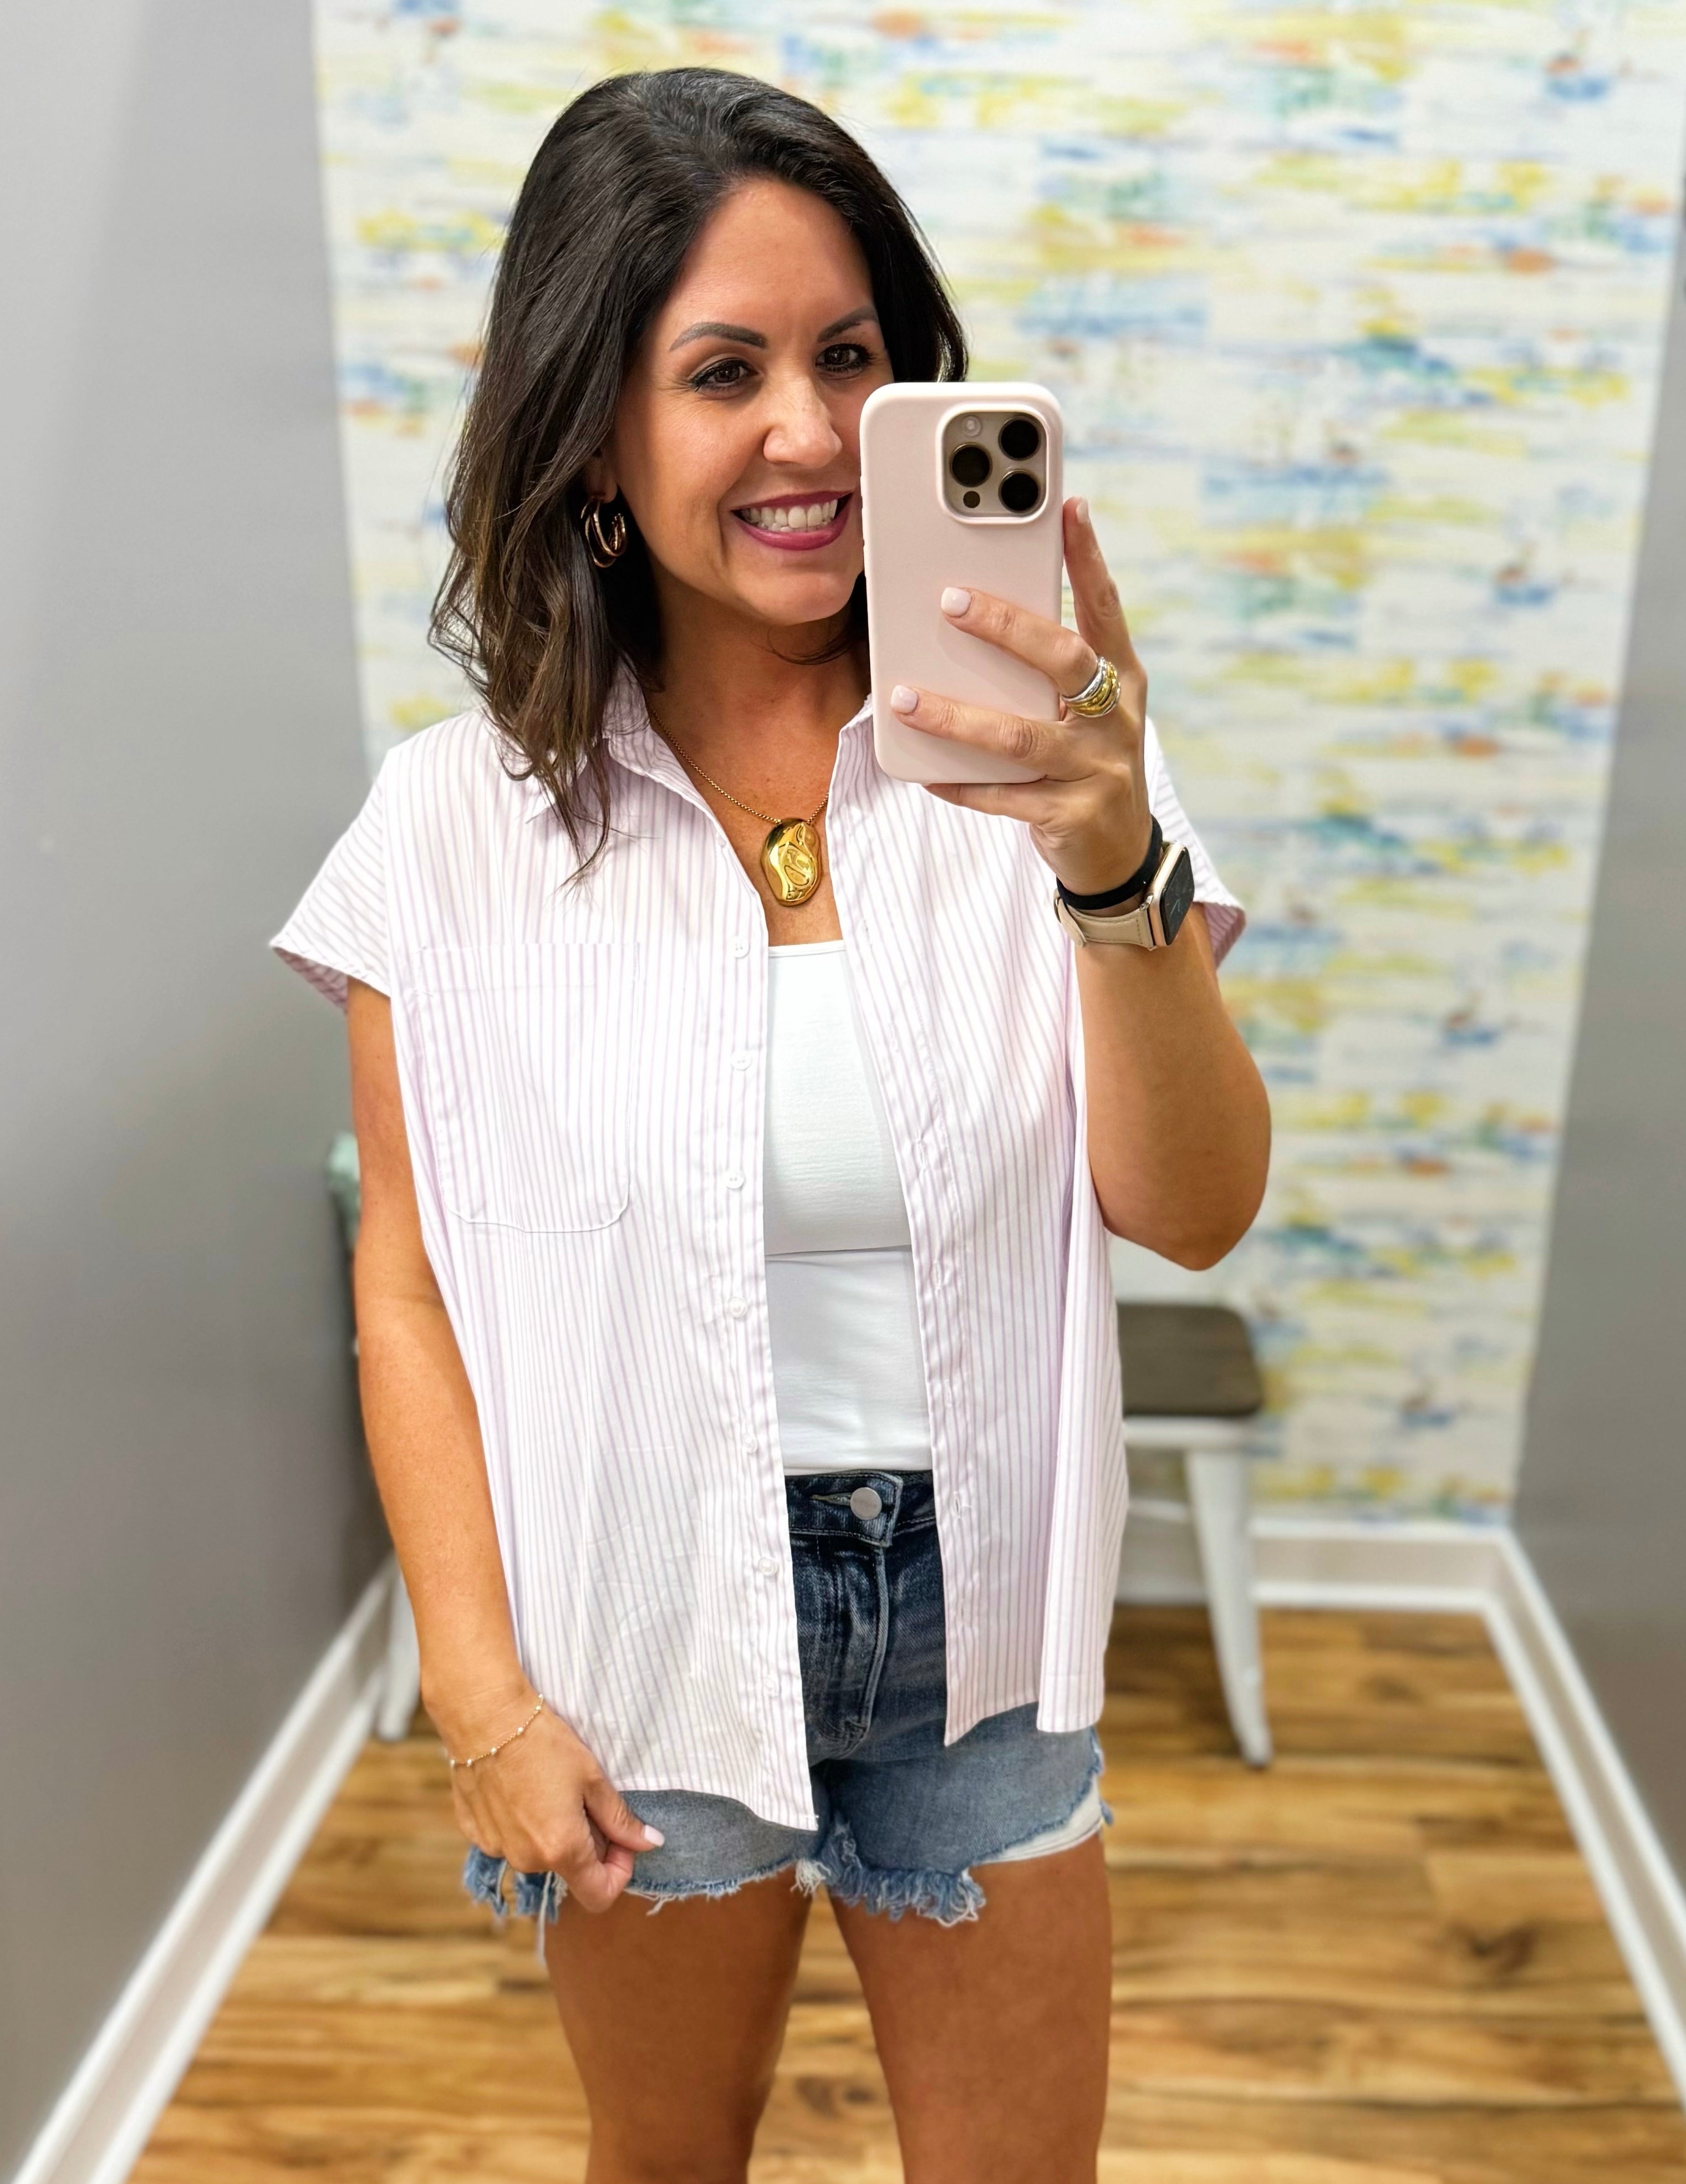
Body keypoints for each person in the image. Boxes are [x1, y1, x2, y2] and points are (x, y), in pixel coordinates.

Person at [274, 65, 1269, 2184]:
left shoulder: (1057, 765)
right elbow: (410, 1286)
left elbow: (1190, 1211)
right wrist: (482, 1695)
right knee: (666, 2164)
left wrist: (1111, 861)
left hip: (979, 1625)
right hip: (634, 1621)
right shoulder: (448, 830)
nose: (812, 431)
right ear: (597, 432)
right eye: (725, 371)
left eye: (851, 358)